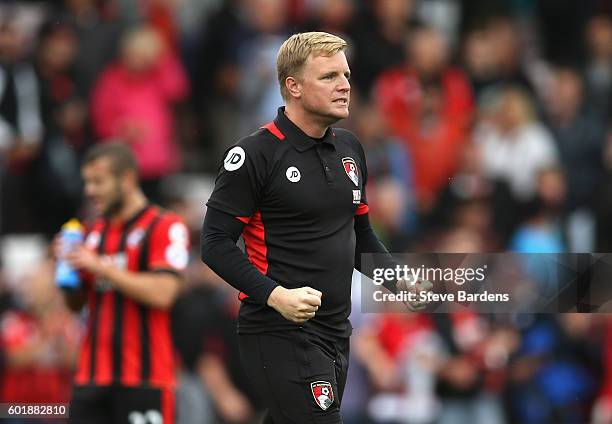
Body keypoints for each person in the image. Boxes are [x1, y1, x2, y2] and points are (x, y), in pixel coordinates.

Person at [201, 31, 431, 423]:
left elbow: (361, 239)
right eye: (328, 77)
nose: (344, 85)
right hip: (277, 332)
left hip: (336, 333)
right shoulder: (255, 154)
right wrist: (276, 296)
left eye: (346, 74)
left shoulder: (350, 149)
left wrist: (399, 280)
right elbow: (215, 244)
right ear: (293, 86)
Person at [54, 142, 189, 423]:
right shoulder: (92, 233)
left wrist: (101, 267)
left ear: (126, 179)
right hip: (90, 379)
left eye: (98, 182)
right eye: (87, 182)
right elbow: (75, 304)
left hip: (145, 379)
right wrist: (67, 272)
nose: (90, 191)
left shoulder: (165, 225)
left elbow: (163, 293)